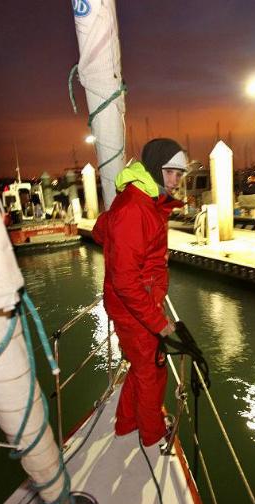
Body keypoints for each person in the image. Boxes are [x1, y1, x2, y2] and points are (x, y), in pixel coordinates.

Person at [92, 138, 187, 447]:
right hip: (132, 307)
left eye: (179, 174)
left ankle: (127, 423)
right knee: (152, 372)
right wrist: (158, 322)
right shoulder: (136, 207)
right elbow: (124, 281)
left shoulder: (145, 199)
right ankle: (152, 434)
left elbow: (102, 230)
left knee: (141, 366)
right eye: (170, 172)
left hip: (140, 301)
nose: (175, 181)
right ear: (156, 168)